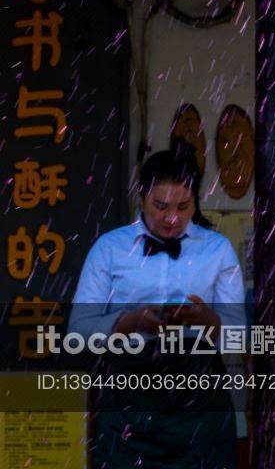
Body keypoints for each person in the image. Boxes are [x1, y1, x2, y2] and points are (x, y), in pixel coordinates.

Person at [70, 141, 246, 469]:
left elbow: (243, 338)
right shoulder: (109, 249)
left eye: (183, 206)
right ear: (141, 197)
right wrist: (129, 322)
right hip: (127, 405)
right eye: (160, 206)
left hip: (200, 406)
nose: (171, 218)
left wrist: (207, 319)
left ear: (196, 201)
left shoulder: (218, 250)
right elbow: (77, 331)